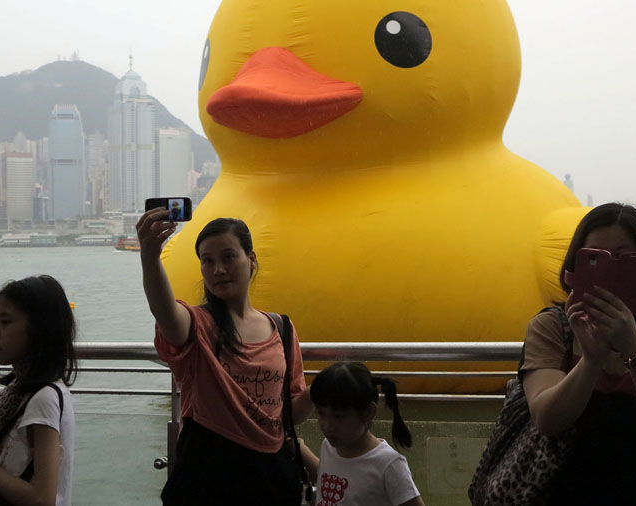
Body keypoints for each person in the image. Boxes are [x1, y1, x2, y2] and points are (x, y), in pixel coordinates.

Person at [521, 203, 636, 505]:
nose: (611, 269)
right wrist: (591, 361)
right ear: (575, 265)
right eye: (595, 257)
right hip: (561, 494)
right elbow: (547, 419)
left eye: (622, 257)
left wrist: (633, 346)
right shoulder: (552, 327)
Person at [137, 210, 313, 505]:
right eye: (208, 260)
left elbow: (288, 415)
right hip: (209, 475)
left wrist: (317, 393)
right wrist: (150, 257)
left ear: (252, 259)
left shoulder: (281, 328)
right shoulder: (200, 325)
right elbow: (166, 313)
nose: (218, 269)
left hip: (270, 477)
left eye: (229, 257)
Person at [0, 275, 77, 506]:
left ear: (39, 329)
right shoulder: (14, 395)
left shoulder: (44, 399)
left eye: (6, 322)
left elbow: (42, 498)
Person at [298, 362, 424, 506]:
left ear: (368, 413)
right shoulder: (329, 446)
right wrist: (301, 450)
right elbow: (331, 479)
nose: (327, 425)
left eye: (338, 416)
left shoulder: (389, 465)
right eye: (321, 414)